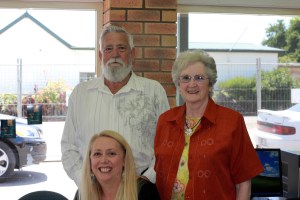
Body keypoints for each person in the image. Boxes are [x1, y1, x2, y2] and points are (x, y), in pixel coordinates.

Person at [61, 24, 169, 187]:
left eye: (122, 48)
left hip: (140, 187)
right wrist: (83, 181)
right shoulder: (81, 93)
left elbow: (167, 143)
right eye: (109, 49)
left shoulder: (153, 91)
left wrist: (147, 179)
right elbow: (68, 146)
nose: (115, 55)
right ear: (100, 55)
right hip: (93, 188)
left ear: (133, 53)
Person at [154, 49, 264, 200]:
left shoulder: (232, 121)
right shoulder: (165, 121)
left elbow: (243, 182)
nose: (192, 84)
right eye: (185, 78)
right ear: (178, 85)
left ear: (210, 84)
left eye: (199, 78)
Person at [76, 130, 160, 200]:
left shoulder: (145, 191)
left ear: (124, 160)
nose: (103, 160)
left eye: (111, 153)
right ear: (90, 161)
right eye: (97, 154)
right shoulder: (82, 193)